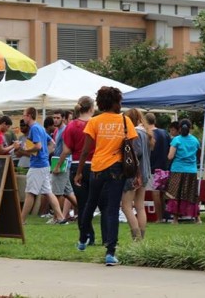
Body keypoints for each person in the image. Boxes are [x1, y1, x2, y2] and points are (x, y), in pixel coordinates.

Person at [75, 86, 137, 266]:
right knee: (111, 209)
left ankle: (82, 237)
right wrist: (137, 173)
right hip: (117, 170)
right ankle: (110, 252)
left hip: (97, 168)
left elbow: (86, 150)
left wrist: (79, 172)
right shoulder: (126, 121)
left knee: (90, 203)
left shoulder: (94, 122)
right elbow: (131, 151)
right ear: (116, 102)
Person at [56, 97, 104, 245]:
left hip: (78, 165)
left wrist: (58, 165)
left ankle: (86, 236)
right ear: (91, 108)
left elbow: (66, 150)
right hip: (97, 165)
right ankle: (106, 237)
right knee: (102, 204)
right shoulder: (98, 124)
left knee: (82, 204)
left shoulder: (71, 126)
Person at [16, 107, 67, 225]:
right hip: (44, 164)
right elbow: (52, 144)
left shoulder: (34, 128)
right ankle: (60, 218)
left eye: (24, 115)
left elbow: (38, 146)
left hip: (37, 165)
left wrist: (25, 148)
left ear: (29, 116)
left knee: (30, 193)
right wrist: (44, 154)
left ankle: (21, 220)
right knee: (48, 192)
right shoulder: (40, 128)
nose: (23, 118)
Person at [121, 108, 153, 240]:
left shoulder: (135, 133)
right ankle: (141, 238)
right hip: (145, 172)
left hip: (134, 174)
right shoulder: (146, 133)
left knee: (126, 206)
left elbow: (136, 152)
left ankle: (136, 237)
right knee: (140, 206)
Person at [165, 118, 200, 224]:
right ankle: (197, 218)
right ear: (190, 128)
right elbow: (197, 155)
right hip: (192, 170)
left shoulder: (176, 140)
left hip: (177, 170)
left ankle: (175, 220)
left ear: (179, 128)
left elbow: (170, 156)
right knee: (191, 194)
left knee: (175, 194)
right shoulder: (195, 140)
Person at [50, 110, 78, 223]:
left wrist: (58, 165)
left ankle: (58, 217)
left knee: (57, 192)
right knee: (68, 192)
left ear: (63, 118)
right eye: (54, 117)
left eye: (58, 117)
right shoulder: (57, 130)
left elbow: (67, 150)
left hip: (62, 162)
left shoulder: (65, 130)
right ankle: (84, 211)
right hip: (59, 161)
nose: (55, 119)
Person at [145, 112, 170, 223]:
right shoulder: (164, 133)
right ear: (155, 121)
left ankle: (159, 218)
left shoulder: (148, 134)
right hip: (165, 166)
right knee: (163, 193)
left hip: (153, 166)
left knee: (155, 193)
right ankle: (165, 216)